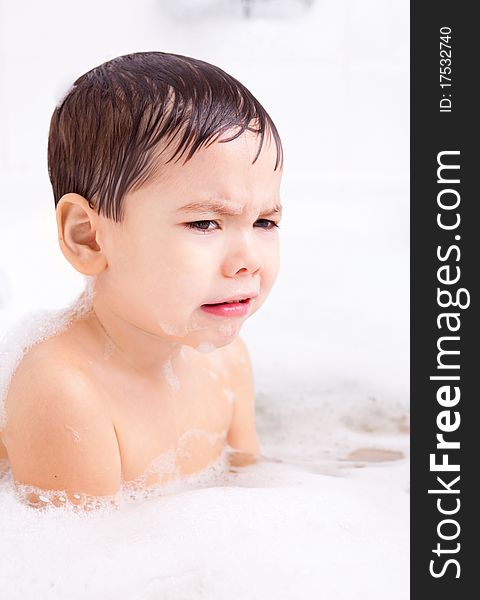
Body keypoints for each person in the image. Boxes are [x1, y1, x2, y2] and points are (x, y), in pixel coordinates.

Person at [0, 51, 283, 509]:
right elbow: (83, 567)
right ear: (89, 238)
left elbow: (251, 488)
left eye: (265, 222)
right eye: (205, 224)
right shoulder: (65, 392)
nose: (247, 260)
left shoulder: (227, 359)